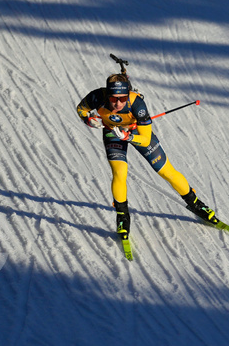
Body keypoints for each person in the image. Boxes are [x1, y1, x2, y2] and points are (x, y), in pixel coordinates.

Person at [75, 73, 215, 239]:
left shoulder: (137, 104)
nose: (117, 103)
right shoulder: (97, 96)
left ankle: (195, 204)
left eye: (122, 98)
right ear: (107, 94)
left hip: (135, 132)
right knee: (120, 172)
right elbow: (81, 109)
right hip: (112, 131)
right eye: (113, 99)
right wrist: (89, 120)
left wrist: (128, 136)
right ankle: (122, 217)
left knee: (165, 171)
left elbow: (146, 139)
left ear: (128, 95)